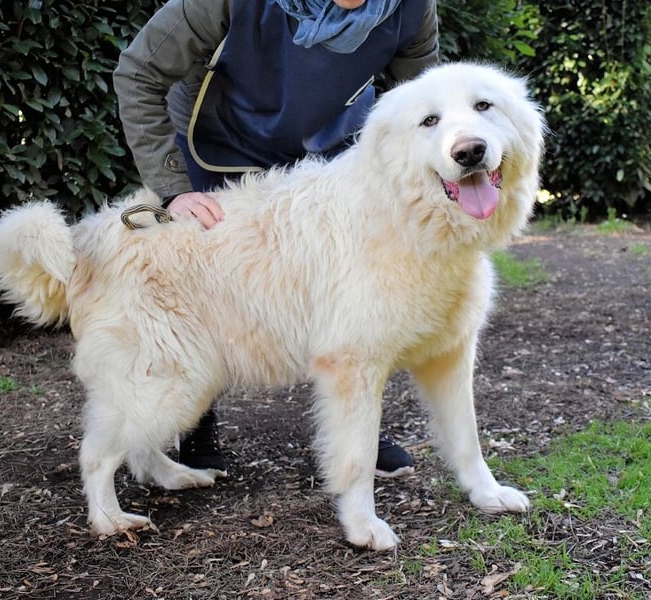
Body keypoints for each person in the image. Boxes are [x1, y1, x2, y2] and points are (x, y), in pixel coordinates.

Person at [113, 0, 439, 479]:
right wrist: (174, 190)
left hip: (331, 151)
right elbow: (138, 72)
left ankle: (359, 428)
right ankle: (198, 419)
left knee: (356, 293)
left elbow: (424, 102)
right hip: (221, 146)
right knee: (213, 293)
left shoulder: (411, 8)